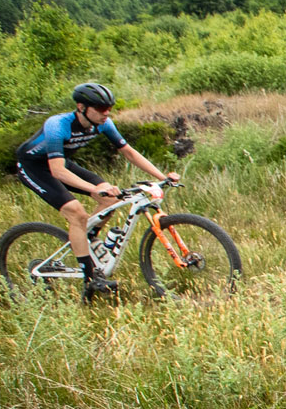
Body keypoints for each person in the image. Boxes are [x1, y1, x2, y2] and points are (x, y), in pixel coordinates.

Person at [13, 82, 180, 298]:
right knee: (77, 212)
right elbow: (58, 171)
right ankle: (90, 278)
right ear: (82, 107)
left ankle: (88, 238)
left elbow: (128, 152)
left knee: (112, 199)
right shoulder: (57, 125)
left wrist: (163, 176)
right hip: (35, 167)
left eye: (109, 109)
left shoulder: (103, 124)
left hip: (61, 163)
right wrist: (94, 189)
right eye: (101, 109)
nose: (106, 114)